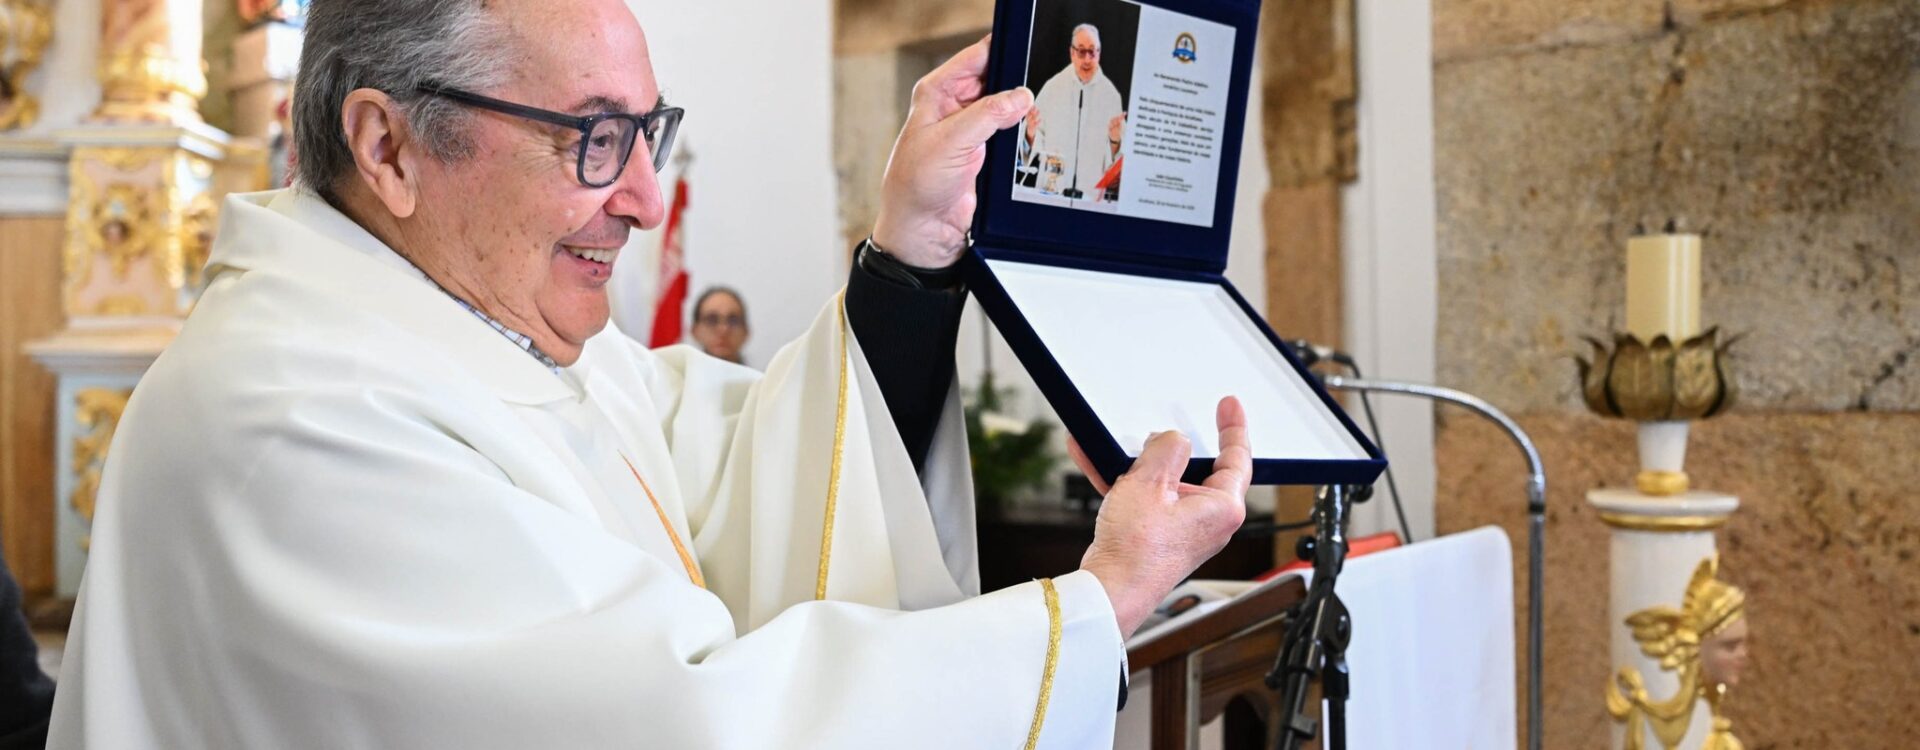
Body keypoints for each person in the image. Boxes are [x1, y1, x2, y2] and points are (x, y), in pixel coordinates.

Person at [48, 1, 1252, 748]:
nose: (641, 196)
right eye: (593, 138)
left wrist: (913, 252)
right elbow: (682, 723)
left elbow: (745, 462)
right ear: (387, 146)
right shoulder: (297, 416)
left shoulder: (508, 341)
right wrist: (1090, 604)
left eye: (646, 130)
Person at [1023, 23, 1127, 198]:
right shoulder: (1052, 87)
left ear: (1099, 54)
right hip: (1051, 189)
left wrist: (1115, 140)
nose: (1087, 59)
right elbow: (1031, 144)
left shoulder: (1111, 96)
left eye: (1092, 52)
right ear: (1071, 53)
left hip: (1090, 194)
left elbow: (1117, 161)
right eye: (1081, 51)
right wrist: (1030, 132)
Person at [688, 285, 749, 365]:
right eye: (712, 320)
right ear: (695, 331)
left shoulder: (761, 377)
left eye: (733, 321)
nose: (723, 329)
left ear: (746, 332)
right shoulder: (680, 377)